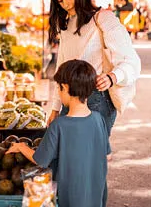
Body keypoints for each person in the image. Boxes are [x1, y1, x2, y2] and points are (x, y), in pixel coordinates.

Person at [47, 0, 141, 149]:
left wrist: (112, 77)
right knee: (72, 157)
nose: (66, 4)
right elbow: (61, 69)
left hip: (96, 98)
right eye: (60, 0)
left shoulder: (103, 18)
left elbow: (132, 61)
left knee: (89, 157)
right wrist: (55, 107)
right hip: (69, 98)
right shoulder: (65, 23)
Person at [7, 60, 109, 207]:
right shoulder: (99, 119)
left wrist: (21, 147)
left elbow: (40, 160)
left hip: (70, 198)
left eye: (59, 88)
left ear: (65, 88)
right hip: (96, 196)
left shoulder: (59, 125)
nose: (59, 93)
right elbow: (107, 155)